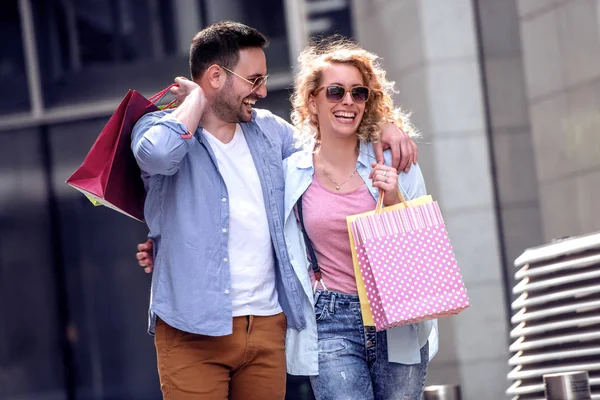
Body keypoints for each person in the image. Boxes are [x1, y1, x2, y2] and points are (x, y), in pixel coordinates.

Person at [131, 21, 418, 400]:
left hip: (267, 328)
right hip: (193, 329)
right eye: (254, 80)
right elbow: (156, 155)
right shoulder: (158, 126)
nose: (263, 91)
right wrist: (195, 101)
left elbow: (329, 141)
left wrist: (381, 124)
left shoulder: (271, 132)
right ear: (216, 76)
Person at [281, 38, 439, 400]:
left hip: (397, 310)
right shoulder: (291, 172)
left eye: (359, 92)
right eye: (335, 92)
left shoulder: (394, 159)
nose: (347, 102)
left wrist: (394, 196)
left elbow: (423, 241)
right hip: (330, 318)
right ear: (312, 100)